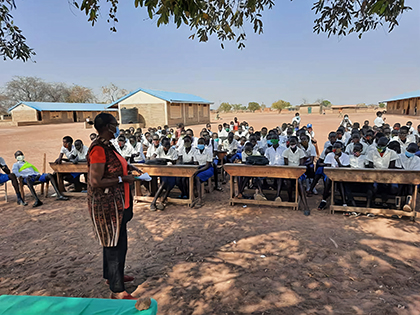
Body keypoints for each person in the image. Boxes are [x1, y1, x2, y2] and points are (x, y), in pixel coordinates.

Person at [88, 112, 143, 300]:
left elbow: (116, 165)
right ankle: (117, 290)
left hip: (119, 203)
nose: (117, 126)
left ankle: (112, 276)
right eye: (115, 124)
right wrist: (122, 178)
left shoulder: (108, 145)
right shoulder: (97, 149)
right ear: (107, 126)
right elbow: (95, 181)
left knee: (118, 243)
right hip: (107, 206)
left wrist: (129, 168)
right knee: (114, 246)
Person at [317, 142, 350, 210]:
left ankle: (344, 202)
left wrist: (338, 161)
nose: (335, 149)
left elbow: (346, 167)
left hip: (342, 174)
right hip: (331, 174)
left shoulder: (345, 156)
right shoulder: (329, 155)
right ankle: (324, 200)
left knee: (340, 181)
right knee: (328, 180)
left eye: (338, 148)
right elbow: (328, 167)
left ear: (341, 149)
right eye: (334, 148)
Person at [149, 138, 178, 211]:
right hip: (162, 171)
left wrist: (168, 160)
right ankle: (154, 202)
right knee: (163, 182)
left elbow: (175, 161)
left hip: (171, 171)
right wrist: (160, 160)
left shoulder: (173, 151)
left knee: (169, 184)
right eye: (165, 147)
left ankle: (160, 201)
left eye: (168, 147)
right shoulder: (159, 149)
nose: (166, 148)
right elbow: (152, 157)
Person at [397, 143, 420, 211]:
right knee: (400, 188)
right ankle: (398, 205)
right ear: (406, 149)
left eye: (412, 152)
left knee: (410, 187)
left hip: (411, 178)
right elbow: (397, 167)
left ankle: (408, 204)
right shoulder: (400, 156)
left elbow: (416, 171)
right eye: (409, 151)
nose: (410, 153)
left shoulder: (417, 159)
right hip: (400, 178)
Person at [193, 138, 214, 208]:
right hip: (199, 167)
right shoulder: (196, 152)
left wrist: (198, 171)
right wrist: (197, 170)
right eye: (199, 143)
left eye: (201, 143)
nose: (200, 145)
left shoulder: (208, 151)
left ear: (204, 144)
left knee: (197, 177)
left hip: (207, 168)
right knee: (191, 176)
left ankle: (200, 199)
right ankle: (193, 194)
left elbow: (208, 165)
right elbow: (196, 163)